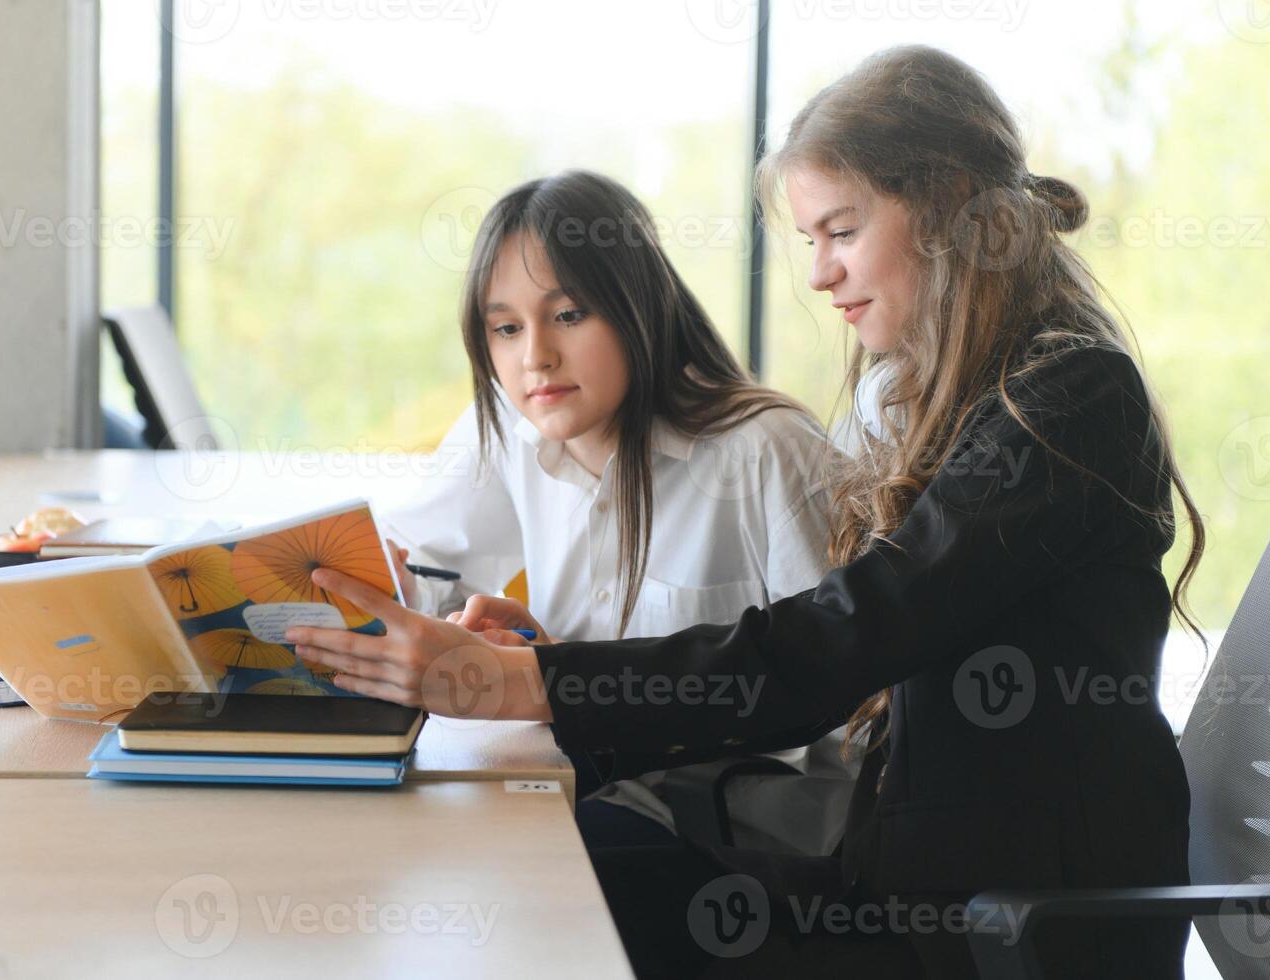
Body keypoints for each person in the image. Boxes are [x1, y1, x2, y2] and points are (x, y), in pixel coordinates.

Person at [287, 46, 1204, 979]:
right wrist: (549, 662)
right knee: (543, 868)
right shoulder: (949, 396)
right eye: (810, 239)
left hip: (996, 927)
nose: (818, 273)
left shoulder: (1065, 398)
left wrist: (533, 683)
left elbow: (838, 643)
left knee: (563, 882)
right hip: (907, 883)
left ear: (943, 206)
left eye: (839, 231)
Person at [379, 169, 858, 857]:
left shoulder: (764, 452)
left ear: (636, 306)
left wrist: (563, 685)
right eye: (505, 329)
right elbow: (414, 560)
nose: (534, 357)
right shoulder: (512, 427)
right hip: (581, 792)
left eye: (568, 315)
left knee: (501, 870)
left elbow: (841, 688)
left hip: (739, 834)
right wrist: (530, 657)